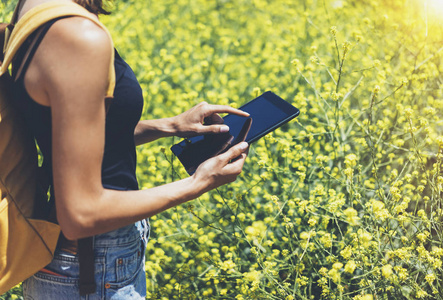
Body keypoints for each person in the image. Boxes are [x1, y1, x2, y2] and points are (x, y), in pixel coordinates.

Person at [12, 0, 249, 298]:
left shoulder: (35, 7)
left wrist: (169, 125)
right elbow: (80, 214)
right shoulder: (78, 36)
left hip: (78, 265)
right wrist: (199, 182)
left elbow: (70, 138)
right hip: (91, 271)